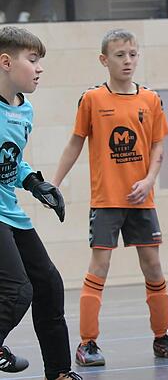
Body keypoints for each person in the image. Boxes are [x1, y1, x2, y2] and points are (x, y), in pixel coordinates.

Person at [52, 28, 168, 367]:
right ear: (104, 60)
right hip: (106, 199)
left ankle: (162, 337)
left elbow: (159, 145)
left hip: (142, 199)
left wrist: (150, 179)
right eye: (119, 55)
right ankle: (88, 344)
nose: (127, 61)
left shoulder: (151, 100)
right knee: (100, 266)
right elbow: (74, 143)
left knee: (153, 266)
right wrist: (53, 183)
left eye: (132, 54)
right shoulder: (92, 99)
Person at [0, 26, 81, 380]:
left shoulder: (24, 109)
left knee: (48, 284)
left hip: (11, 212)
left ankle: (60, 373)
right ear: (6, 62)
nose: (39, 68)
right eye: (32, 60)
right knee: (18, 290)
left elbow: (13, 161)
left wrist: (35, 184)